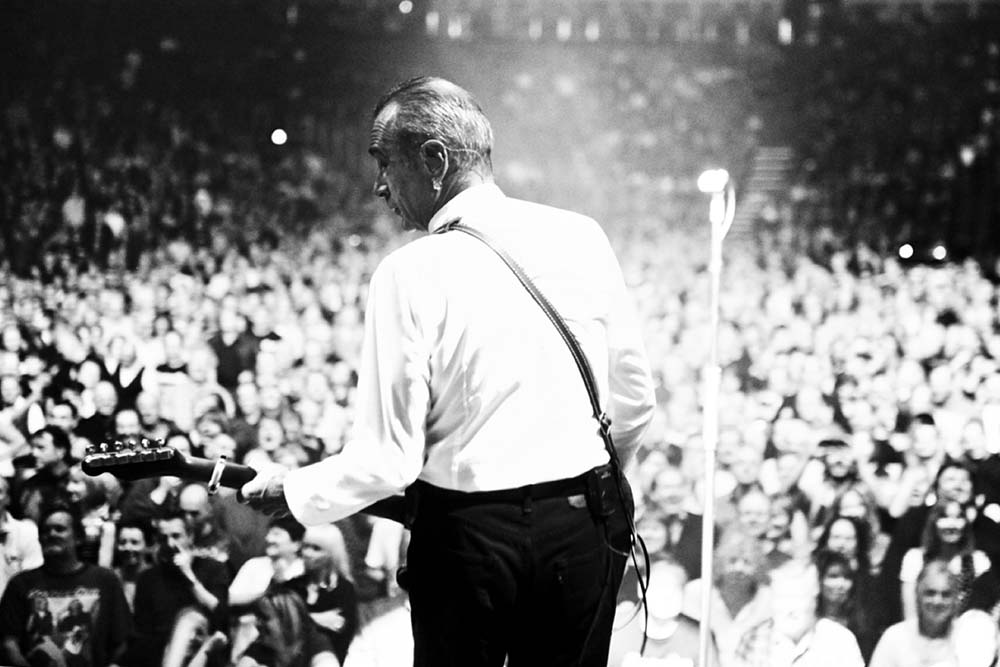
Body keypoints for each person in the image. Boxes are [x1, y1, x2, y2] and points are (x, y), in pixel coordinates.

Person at [240, 76, 656, 667]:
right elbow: (636, 402)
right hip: (585, 529)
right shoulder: (581, 235)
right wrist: (585, 489)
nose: (379, 186)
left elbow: (389, 460)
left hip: (471, 543)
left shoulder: (408, 273)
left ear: (435, 160)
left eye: (385, 163)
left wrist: (298, 490)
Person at [0, 502, 132, 667]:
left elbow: (122, 641)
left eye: (59, 529)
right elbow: (8, 643)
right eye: (45, 531)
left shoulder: (105, 580)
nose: (51, 534)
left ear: (78, 537)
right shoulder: (20, 584)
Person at [127, 510, 231, 667]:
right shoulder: (147, 579)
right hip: (160, 657)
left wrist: (188, 575)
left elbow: (220, 615)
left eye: (176, 536)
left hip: (206, 656)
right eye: (163, 538)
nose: (170, 544)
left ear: (190, 537)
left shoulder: (214, 569)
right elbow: (142, 635)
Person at [869, 559, 998, 667]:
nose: (937, 601)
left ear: (956, 599)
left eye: (946, 594)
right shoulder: (895, 637)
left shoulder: (970, 638)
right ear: (917, 595)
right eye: (930, 593)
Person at [732, 564, 865, 667]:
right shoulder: (753, 640)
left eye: (797, 598)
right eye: (782, 598)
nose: (789, 609)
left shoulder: (839, 641)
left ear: (814, 599)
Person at [607, 555, 714, 667]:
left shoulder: (699, 637)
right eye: (659, 587)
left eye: (674, 588)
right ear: (641, 588)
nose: (666, 597)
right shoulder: (617, 630)